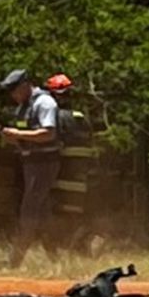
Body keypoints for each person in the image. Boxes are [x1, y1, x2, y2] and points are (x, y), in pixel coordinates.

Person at [0, 69, 61, 267]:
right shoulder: (24, 106)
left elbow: (48, 134)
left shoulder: (45, 103)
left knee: (29, 210)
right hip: (31, 163)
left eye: (15, 90)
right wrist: (14, 139)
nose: (13, 95)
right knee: (42, 213)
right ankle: (57, 260)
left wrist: (17, 134)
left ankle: (14, 261)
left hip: (44, 163)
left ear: (26, 85)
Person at [44, 74, 97, 244]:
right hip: (79, 174)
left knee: (56, 212)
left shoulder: (54, 117)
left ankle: (60, 246)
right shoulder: (81, 117)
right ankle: (77, 245)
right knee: (74, 211)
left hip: (60, 171)